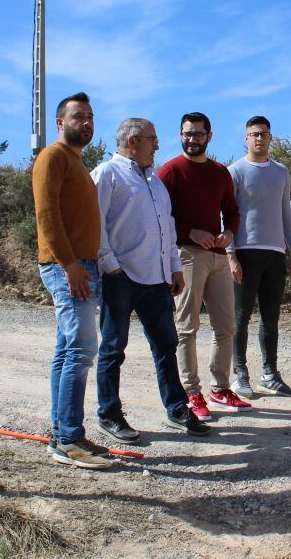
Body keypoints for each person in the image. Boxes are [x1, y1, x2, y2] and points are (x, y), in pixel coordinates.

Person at [92, 118, 211, 439]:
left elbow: (167, 228)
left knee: (166, 345)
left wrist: (174, 266)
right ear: (132, 142)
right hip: (120, 277)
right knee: (114, 347)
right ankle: (109, 413)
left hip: (157, 280)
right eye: (151, 139)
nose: (157, 145)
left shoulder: (155, 182)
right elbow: (95, 222)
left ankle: (176, 408)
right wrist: (108, 263)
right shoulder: (107, 174)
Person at [32, 92, 113, 469]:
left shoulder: (77, 162)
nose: (87, 122)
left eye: (91, 117)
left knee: (68, 350)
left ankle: (65, 433)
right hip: (68, 266)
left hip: (82, 265)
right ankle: (67, 439)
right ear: (60, 123)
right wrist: (69, 265)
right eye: (78, 116)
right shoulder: (52, 157)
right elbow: (46, 216)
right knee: (81, 350)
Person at [157, 112, 251, 421]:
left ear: (209, 137)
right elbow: (159, 217)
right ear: (180, 135)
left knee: (226, 325)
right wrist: (189, 232)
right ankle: (191, 392)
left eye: (198, 134)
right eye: (187, 134)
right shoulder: (169, 172)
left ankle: (220, 388)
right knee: (187, 326)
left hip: (218, 256)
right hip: (186, 254)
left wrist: (229, 233)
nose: (192, 139)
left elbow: (232, 211)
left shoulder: (220, 173)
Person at [228, 116, 291, 398]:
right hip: (245, 252)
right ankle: (239, 373)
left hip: (275, 253)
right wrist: (230, 254)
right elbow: (228, 215)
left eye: (264, 134)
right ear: (246, 138)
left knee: (271, 317)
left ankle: (270, 374)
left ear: (271, 138)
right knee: (240, 316)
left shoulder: (281, 172)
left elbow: (286, 211)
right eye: (254, 134)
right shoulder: (235, 170)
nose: (259, 139)